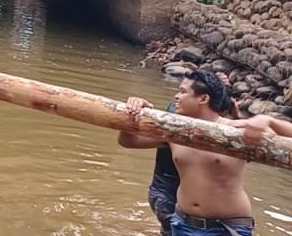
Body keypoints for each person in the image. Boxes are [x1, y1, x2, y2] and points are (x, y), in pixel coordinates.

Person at [118, 70, 292, 236]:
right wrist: (134, 113)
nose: (176, 97)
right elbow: (128, 142)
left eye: (183, 92)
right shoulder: (175, 132)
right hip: (182, 223)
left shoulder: (237, 133)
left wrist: (268, 120)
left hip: (227, 228)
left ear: (203, 98)